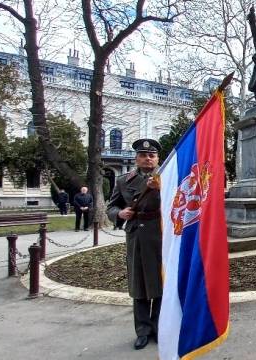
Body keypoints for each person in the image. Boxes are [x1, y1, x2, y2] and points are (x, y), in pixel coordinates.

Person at [106, 138, 163, 350]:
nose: (147, 158)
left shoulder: (167, 178)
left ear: (157, 159)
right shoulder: (123, 180)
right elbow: (111, 207)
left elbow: (178, 202)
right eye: (143, 155)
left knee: (159, 283)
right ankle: (142, 331)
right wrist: (119, 213)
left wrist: (159, 189)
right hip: (136, 235)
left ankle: (158, 327)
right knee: (138, 284)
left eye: (152, 155)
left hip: (159, 234)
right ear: (137, 158)